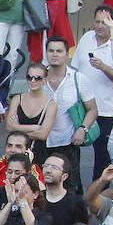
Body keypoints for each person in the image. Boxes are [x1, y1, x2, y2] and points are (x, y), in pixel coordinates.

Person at [75, 6, 113, 175]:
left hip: (105, 109)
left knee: (102, 153)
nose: (100, 26)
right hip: (82, 106)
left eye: (104, 22)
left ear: (112, 24)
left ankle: (99, 191)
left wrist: (104, 67)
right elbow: (75, 67)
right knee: (73, 147)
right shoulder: (86, 38)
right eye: (97, 22)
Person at [40, 37, 96, 181]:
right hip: (41, 140)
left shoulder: (78, 79)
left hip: (68, 142)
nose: (54, 54)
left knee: (70, 185)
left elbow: (92, 109)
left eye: (59, 51)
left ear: (67, 54)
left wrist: (82, 129)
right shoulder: (38, 78)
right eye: (51, 50)